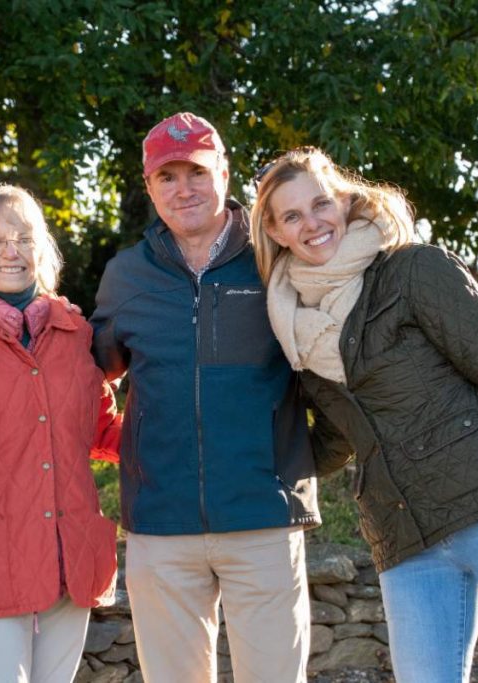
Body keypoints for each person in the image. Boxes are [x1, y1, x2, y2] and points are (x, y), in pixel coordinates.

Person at [249, 146, 478, 683]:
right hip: (405, 537)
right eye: (293, 216)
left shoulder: (415, 269)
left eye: (320, 204)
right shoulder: (292, 325)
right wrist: (247, 451)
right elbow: (334, 443)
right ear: (277, 233)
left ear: (344, 203)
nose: (313, 224)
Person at [89, 112, 317, 683]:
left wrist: (317, 457)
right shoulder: (126, 274)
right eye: (168, 176)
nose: (183, 188)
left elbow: (333, 352)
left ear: (224, 172)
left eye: (197, 171)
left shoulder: (275, 258)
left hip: (264, 516)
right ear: (149, 187)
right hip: (160, 526)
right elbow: (90, 373)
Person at [0, 185, 122, 683]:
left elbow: (99, 430)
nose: (11, 252)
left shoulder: (77, 333)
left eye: (24, 238)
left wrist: (182, 435)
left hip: (70, 557)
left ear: (42, 248)